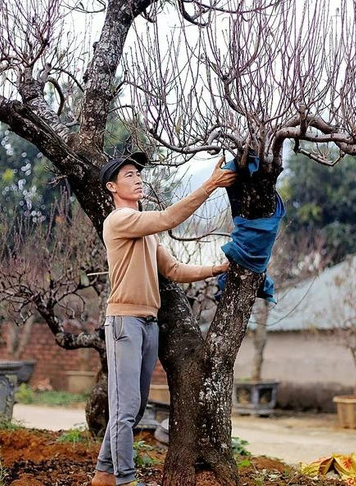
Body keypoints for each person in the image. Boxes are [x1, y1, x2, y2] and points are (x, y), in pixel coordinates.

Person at [92, 152, 237, 486]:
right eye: (129, 175)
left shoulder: (147, 234)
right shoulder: (119, 220)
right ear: (112, 187)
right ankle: (125, 480)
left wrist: (217, 268)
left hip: (148, 324)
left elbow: (173, 270)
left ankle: (103, 474)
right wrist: (211, 184)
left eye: (138, 174)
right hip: (124, 322)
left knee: (135, 406)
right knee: (125, 408)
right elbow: (170, 217)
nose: (137, 178)